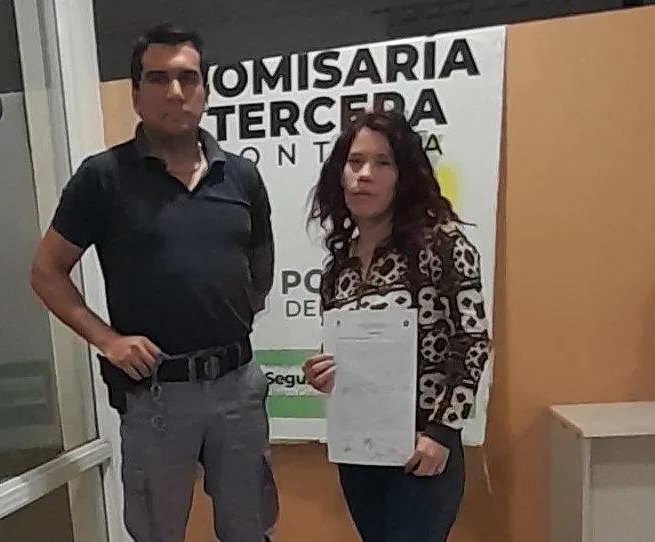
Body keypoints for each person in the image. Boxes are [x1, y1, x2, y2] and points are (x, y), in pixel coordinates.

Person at [30, 23, 278, 542]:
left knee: (251, 529)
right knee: (157, 533)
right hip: (158, 395)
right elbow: (46, 272)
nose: (175, 92)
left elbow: (260, 258)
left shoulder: (241, 177)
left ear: (205, 90)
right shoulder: (103, 178)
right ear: (136, 93)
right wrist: (108, 340)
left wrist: (234, 310)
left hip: (238, 387)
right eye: (158, 78)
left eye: (188, 78)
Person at [302, 109, 492, 542]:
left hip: (423, 449)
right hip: (360, 451)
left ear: (403, 175)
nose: (364, 175)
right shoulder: (338, 266)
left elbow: (472, 342)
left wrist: (442, 432)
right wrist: (323, 371)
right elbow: (341, 351)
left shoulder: (442, 244)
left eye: (382, 162)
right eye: (354, 162)